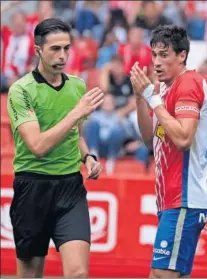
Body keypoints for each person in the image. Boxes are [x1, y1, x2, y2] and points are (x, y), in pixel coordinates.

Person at [6, 18, 104, 277]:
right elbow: (37, 146)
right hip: (32, 188)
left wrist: (89, 157)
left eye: (66, 48)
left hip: (70, 188)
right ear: (38, 49)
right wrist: (76, 112)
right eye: (55, 49)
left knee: (78, 273)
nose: (63, 55)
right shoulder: (21, 91)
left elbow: (76, 135)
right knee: (30, 274)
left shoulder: (77, 86)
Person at [130, 25, 207, 278]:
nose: (156, 62)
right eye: (154, 55)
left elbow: (184, 138)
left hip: (184, 198)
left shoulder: (188, 83)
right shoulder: (165, 89)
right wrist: (140, 98)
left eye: (164, 55)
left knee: (160, 274)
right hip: (172, 198)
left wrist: (151, 98)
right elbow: (149, 141)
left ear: (182, 55)